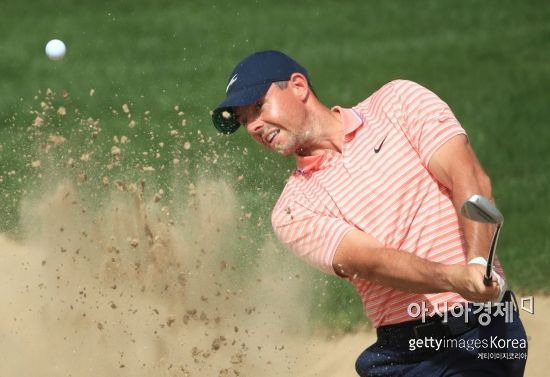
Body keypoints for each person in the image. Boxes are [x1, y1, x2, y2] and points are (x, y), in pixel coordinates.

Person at [211, 50, 527, 376]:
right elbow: (372, 262)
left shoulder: (398, 102)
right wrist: (454, 278)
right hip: (404, 357)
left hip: (483, 334)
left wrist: (476, 263)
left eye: (258, 108)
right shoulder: (292, 210)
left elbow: (467, 176)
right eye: (244, 120)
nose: (253, 126)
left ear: (298, 86)